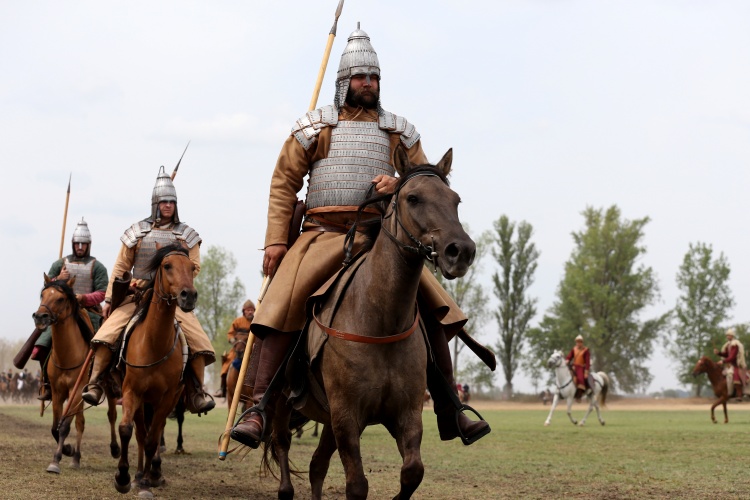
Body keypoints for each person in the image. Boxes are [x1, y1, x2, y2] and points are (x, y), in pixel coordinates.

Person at [231, 25, 490, 447]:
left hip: (381, 237)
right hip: (323, 234)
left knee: (437, 308)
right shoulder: (315, 127)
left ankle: (450, 407)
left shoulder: (399, 131)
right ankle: (259, 406)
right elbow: (284, 183)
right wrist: (278, 240)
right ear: (343, 82)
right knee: (284, 301)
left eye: (373, 77)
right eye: (360, 76)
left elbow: (424, 181)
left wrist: (397, 182)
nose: (367, 83)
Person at [80, 166, 215, 414]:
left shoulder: (186, 235)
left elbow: (193, 266)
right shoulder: (137, 232)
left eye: (171, 202)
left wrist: (174, 274)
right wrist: (110, 298)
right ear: (155, 203)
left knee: (198, 340)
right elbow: (121, 266)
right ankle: (96, 382)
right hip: (138, 296)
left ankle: (197, 391)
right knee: (107, 333)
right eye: (163, 202)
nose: (168, 206)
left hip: (172, 300)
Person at [31, 218, 109, 401]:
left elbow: (103, 292)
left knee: (102, 344)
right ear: (73, 244)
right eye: (77, 243)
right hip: (61, 313)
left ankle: (101, 381)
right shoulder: (60, 264)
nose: (80, 247)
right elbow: (47, 289)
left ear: (88, 245)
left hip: (88, 311)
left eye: (83, 243)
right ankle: (48, 383)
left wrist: (83, 298)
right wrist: (59, 277)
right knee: (42, 344)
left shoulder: (97, 267)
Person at [215, 300, 256, 398]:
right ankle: (223, 389)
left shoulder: (257, 322)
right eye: (248, 310)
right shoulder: (237, 321)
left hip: (252, 351)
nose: (250, 312)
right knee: (226, 366)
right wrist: (234, 341)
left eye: (252, 310)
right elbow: (230, 334)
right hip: (237, 350)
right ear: (244, 311)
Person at [715, 327, 747, 401]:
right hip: (730, 365)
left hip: (737, 365)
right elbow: (727, 354)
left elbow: (732, 357)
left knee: (734, 376)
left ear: (732, 336)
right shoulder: (728, 345)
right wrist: (719, 353)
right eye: (727, 335)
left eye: (728, 335)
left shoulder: (734, 344)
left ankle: (739, 395)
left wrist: (723, 361)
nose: (727, 337)